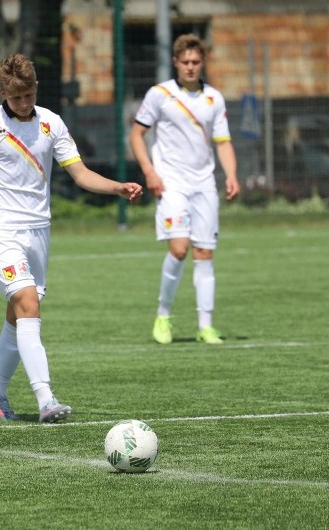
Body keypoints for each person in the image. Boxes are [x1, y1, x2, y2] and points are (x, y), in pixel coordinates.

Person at [0, 54, 142, 423]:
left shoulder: (52, 123)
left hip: (39, 230)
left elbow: (79, 174)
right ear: (3, 93)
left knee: (18, 314)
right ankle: (46, 398)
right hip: (0, 228)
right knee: (28, 302)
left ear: (36, 88)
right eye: (16, 98)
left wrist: (117, 188)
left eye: (29, 95)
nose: (24, 103)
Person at [129, 34, 241, 345]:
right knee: (179, 249)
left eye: (196, 62)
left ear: (202, 63)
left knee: (204, 252)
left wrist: (231, 174)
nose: (190, 67)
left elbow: (223, 142)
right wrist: (150, 172)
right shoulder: (160, 94)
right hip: (171, 183)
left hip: (204, 184)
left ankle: (205, 326)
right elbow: (137, 135)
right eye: (185, 62)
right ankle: (163, 315)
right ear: (176, 63)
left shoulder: (214, 99)